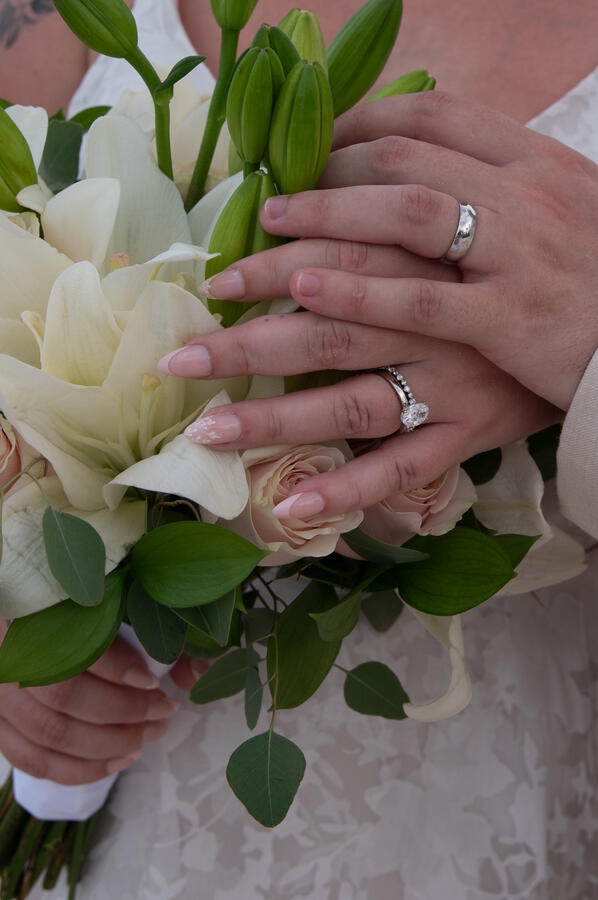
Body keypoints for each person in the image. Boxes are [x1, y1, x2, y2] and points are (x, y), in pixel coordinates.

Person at [1, 0, 598, 897]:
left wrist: (580, 362)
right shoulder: (42, 26)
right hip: (124, 809)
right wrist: (20, 630)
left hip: (470, 802)